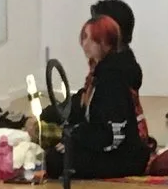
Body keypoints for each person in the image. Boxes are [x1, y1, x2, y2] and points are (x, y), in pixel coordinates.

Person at [44, 16, 151, 179]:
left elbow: (112, 133)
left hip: (122, 156)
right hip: (105, 143)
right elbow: (85, 113)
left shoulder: (113, 79)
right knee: (54, 152)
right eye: (84, 38)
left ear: (105, 42)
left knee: (56, 160)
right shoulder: (98, 73)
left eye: (91, 39)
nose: (84, 44)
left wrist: (74, 138)